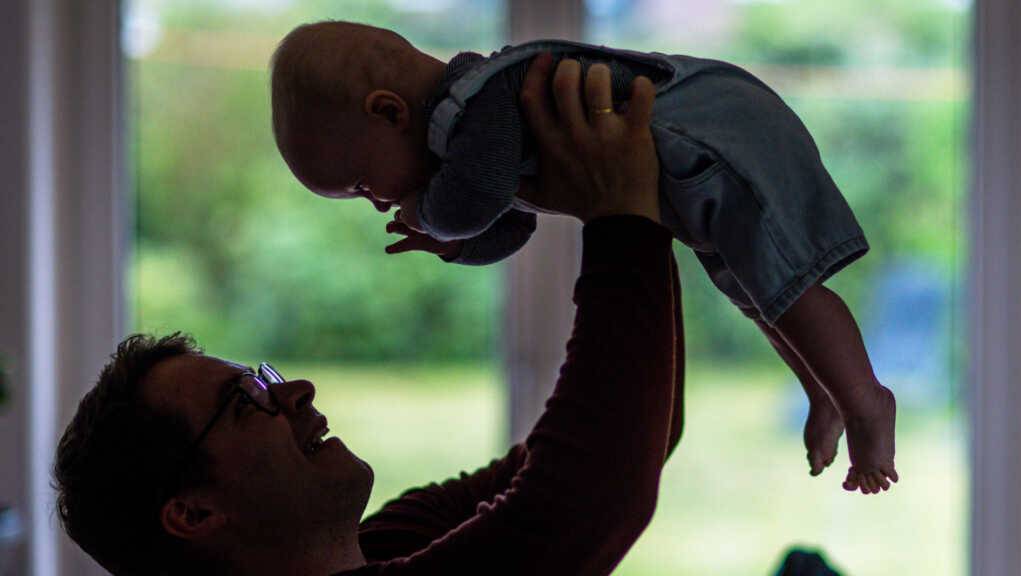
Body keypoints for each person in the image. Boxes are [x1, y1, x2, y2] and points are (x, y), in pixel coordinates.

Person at [52, 52, 685, 575]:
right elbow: (585, 500)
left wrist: (630, 206)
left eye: (265, 377)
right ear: (192, 513)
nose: (296, 391)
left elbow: (635, 439)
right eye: (249, 400)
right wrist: (622, 217)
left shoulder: (388, 540)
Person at [269, 20, 898, 493]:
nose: (377, 203)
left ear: (389, 111)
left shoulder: (482, 101)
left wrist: (434, 217)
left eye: (359, 185)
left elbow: (476, 197)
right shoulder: (478, 134)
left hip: (716, 135)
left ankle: (866, 400)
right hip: (695, 167)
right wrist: (459, 244)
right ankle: (824, 390)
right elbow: (511, 224)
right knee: (760, 292)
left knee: (787, 283)